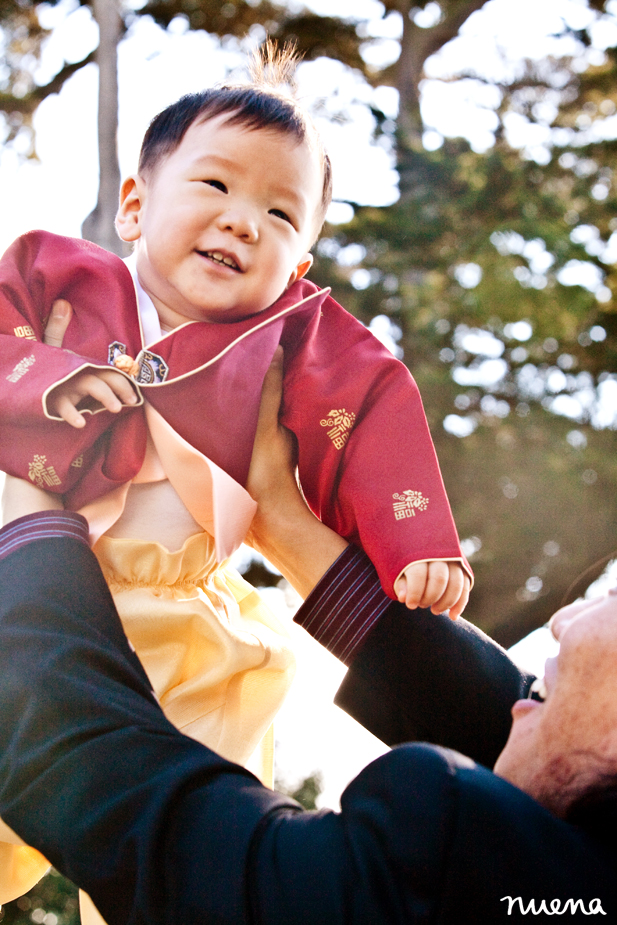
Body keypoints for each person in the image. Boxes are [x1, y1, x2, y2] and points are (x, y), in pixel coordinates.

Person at [0, 46, 471, 911]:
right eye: (216, 187)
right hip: (25, 576)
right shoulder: (53, 273)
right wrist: (44, 380)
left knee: (194, 837)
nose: (244, 220)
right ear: (135, 206)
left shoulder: (293, 344)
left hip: (180, 617)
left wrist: (416, 544)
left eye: (281, 212)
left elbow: (371, 417)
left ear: (296, 269)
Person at [0, 504, 616, 922]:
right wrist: (286, 520)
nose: (563, 621)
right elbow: (506, 715)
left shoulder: (447, 856)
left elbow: (157, 828)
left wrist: (29, 530)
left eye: (611, 598)